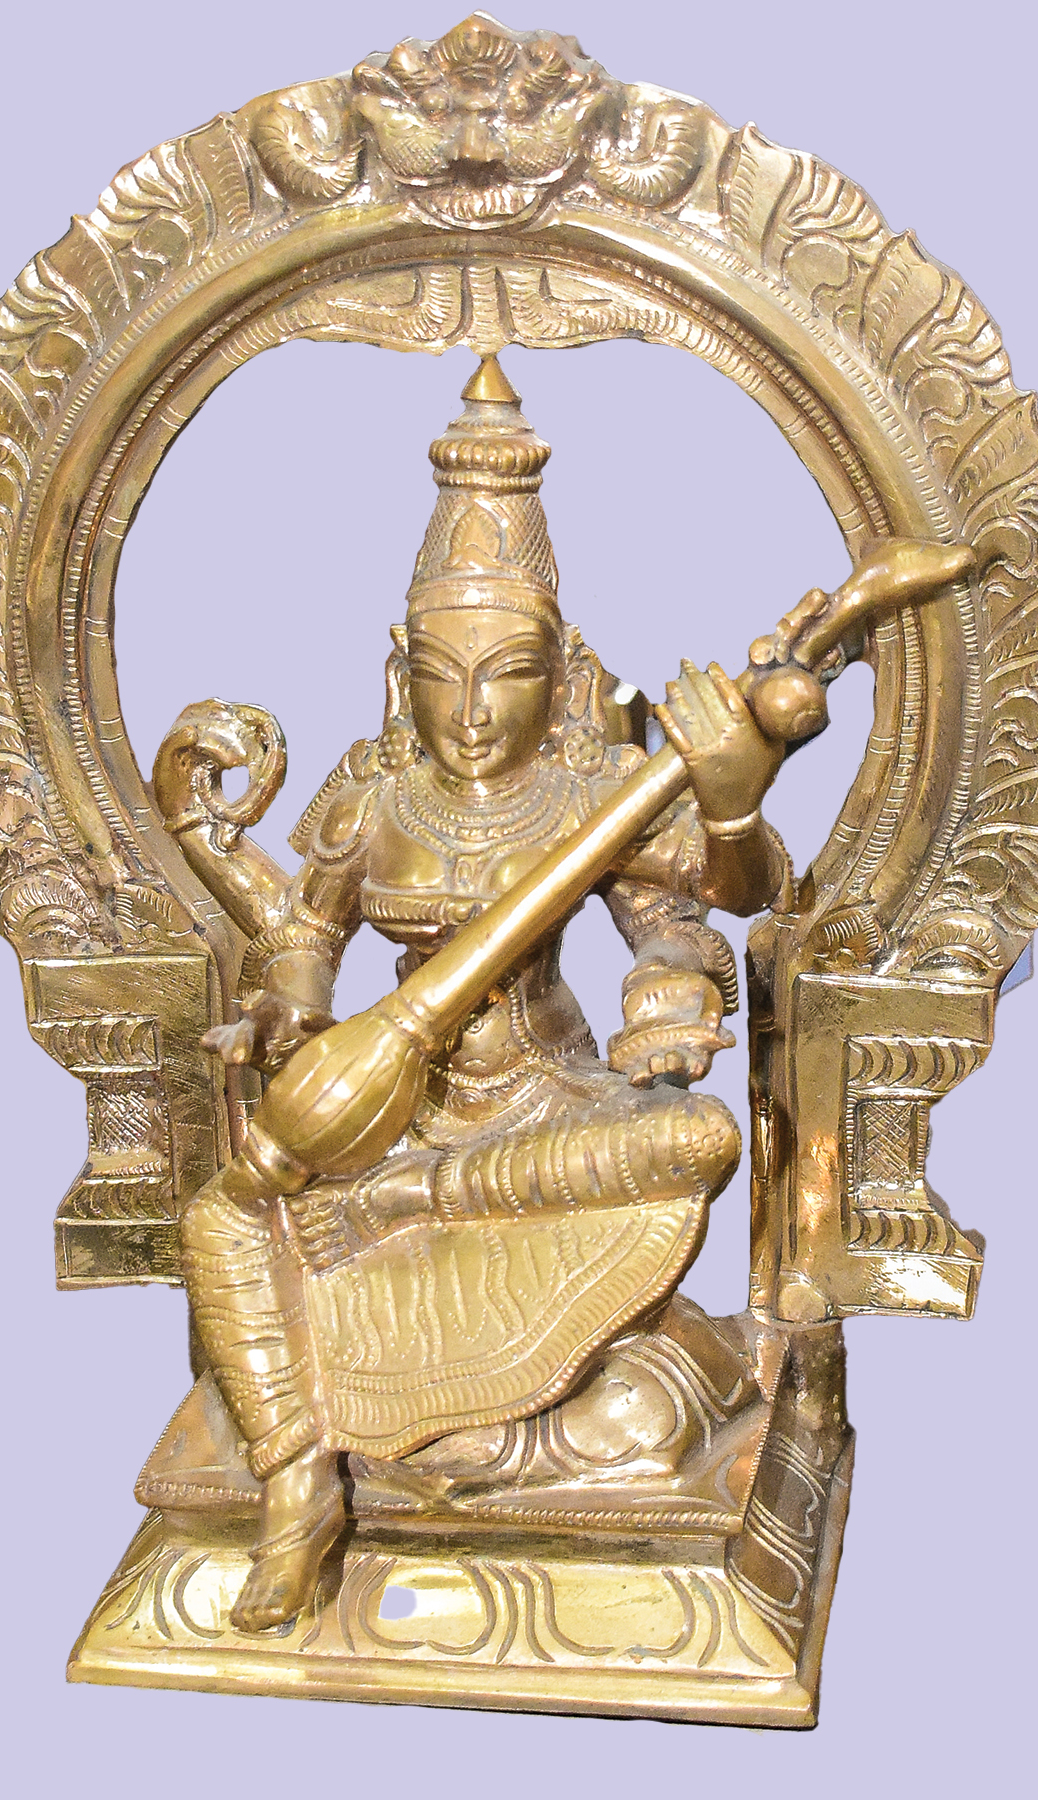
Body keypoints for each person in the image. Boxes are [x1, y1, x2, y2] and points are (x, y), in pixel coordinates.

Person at [176, 355, 789, 1630]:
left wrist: (724, 819)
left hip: (548, 1119)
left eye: (505, 672)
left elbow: (702, 908)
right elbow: (307, 936)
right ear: (399, 664)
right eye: (441, 673)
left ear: (558, 671)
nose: (468, 712)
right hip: (394, 1114)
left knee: (697, 1139)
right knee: (223, 1218)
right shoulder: (373, 797)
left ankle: (434, 1382)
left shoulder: (590, 792)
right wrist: (287, 1011)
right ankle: (300, 1479)